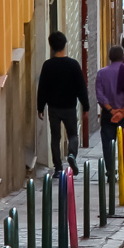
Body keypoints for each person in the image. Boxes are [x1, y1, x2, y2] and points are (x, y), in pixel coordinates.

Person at [36, 32, 89, 173]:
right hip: (69, 107)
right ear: (65, 44)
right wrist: (86, 106)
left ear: (51, 47)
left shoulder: (47, 65)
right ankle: (72, 154)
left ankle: (58, 167)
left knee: (55, 136)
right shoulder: (73, 65)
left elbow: (42, 88)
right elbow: (81, 87)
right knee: (72, 134)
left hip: (53, 107)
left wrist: (40, 107)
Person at [96, 44, 124, 181]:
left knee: (108, 142)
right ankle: (123, 170)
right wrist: (123, 111)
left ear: (109, 57)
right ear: (123, 57)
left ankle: (110, 172)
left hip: (108, 114)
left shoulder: (101, 73)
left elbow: (100, 94)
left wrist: (111, 110)